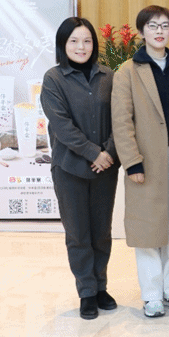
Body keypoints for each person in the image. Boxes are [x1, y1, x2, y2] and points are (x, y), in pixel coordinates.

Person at [112, 5, 169, 318]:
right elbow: (121, 121)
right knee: (148, 230)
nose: (159, 31)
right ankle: (151, 295)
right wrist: (132, 162)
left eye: (165, 25)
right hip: (145, 160)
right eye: (152, 25)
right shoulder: (127, 71)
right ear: (141, 31)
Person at [41, 17, 120, 320]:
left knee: (101, 232)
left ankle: (101, 287)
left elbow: (120, 119)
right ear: (63, 45)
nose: (81, 47)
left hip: (105, 169)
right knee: (78, 234)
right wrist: (93, 153)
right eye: (73, 41)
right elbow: (62, 126)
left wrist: (108, 153)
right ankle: (86, 291)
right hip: (69, 168)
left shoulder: (108, 76)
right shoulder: (53, 79)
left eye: (86, 41)